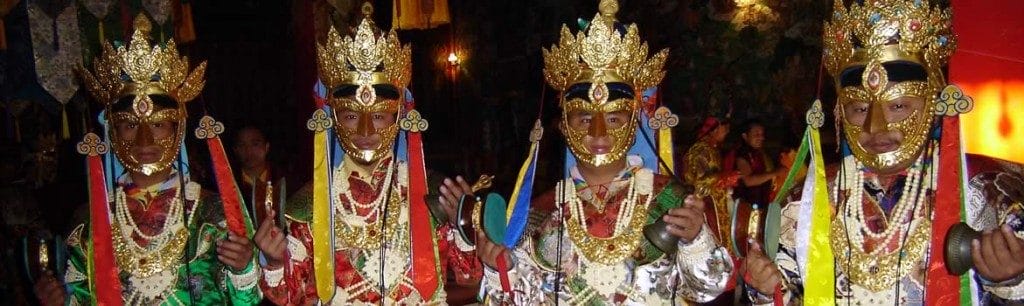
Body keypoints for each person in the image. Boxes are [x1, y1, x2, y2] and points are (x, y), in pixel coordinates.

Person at [742, 0, 1024, 304]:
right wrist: (764, 288)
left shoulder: (989, 191)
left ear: (933, 103)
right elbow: (791, 293)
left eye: (899, 105)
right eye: (860, 108)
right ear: (839, 112)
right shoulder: (810, 198)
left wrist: (1011, 283)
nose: (875, 126)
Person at [472, 1, 732, 303]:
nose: (598, 132)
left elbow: (709, 288)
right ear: (564, 125)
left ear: (634, 124)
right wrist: (497, 269)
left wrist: (695, 241)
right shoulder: (541, 214)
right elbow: (522, 298)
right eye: (584, 117)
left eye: (613, 118)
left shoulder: (671, 202)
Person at [252, 3, 481, 304]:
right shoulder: (308, 208)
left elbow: (469, 278)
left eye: (377, 116)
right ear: (332, 118)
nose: (364, 130)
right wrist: (275, 261)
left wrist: (465, 229)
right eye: (349, 116)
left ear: (398, 116)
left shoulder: (433, 195)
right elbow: (288, 296)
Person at [32, 15, 262, 305]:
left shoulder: (213, 214)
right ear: (113, 134)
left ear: (176, 129)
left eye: (157, 125)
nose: (144, 141)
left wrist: (243, 268)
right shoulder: (89, 223)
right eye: (129, 125)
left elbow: (248, 300)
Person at [683, 116, 739, 255]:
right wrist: (725, 177)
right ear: (714, 130)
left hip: (717, 202)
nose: (727, 130)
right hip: (705, 204)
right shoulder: (700, 150)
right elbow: (698, 181)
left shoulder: (711, 148)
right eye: (724, 127)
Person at [726, 119, 788, 207]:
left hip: (761, 202)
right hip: (747, 205)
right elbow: (749, 181)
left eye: (762, 134)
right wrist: (775, 173)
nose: (761, 138)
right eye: (756, 134)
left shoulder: (760, 153)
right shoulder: (742, 154)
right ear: (745, 136)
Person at [232, 125, 284, 226]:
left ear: (266, 147)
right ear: (236, 150)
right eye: (242, 145)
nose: (248, 151)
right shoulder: (228, 184)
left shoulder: (283, 180)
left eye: (255, 144)